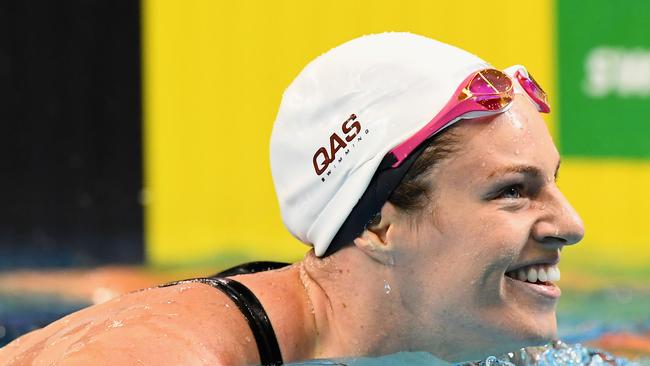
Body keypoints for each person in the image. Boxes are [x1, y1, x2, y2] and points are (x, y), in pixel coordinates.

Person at [0, 32, 584, 365]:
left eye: (554, 184)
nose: (571, 224)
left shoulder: (462, 332)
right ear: (377, 223)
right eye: (513, 192)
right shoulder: (163, 355)